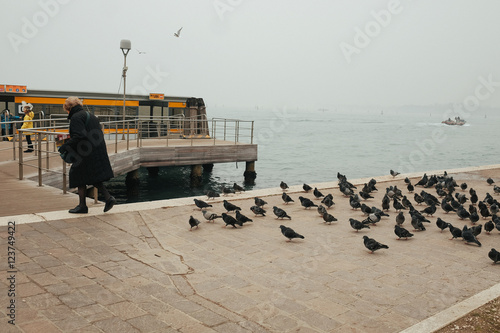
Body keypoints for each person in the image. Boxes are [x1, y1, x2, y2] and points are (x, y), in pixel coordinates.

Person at [58, 96, 116, 214]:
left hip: (85, 151)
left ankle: (83, 206)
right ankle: (108, 198)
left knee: (77, 174)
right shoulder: (91, 115)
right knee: (90, 175)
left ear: (68, 108)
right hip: (96, 149)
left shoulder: (76, 117)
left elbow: (79, 136)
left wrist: (65, 146)